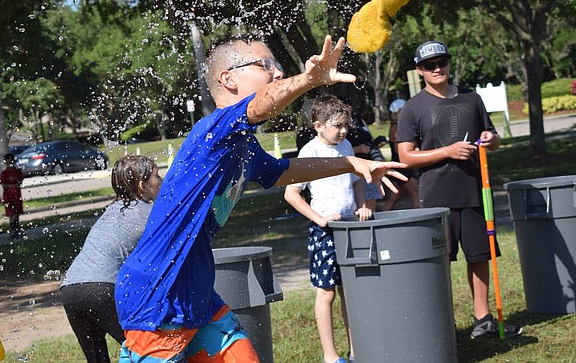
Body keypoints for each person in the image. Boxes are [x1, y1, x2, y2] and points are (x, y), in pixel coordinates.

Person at [115, 34, 406, 362]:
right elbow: (261, 104)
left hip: (198, 294)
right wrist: (309, 79)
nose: (277, 72)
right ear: (229, 79)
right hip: (158, 295)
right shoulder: (213, 131)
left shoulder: (243, 144)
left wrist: (350, 162)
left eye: (276, 65)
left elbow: (284, 171)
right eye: (265, 65)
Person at [396, 40, 522, 339]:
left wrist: (491, 139)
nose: (437, 69)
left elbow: (493, 138)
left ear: (449, 63)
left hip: (475, 191)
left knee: (479, 256)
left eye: (442, 62)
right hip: (436, 197)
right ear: (419, 71)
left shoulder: (471, 98)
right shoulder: (413, 108)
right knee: (439, 262)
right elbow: (405, 156)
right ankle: (441, 325)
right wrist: (447, 151)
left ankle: (483, 319)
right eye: (429, 65)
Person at [284, 95, 371, 363]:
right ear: (318, 125)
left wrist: (363, 206)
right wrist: (319, 218)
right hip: (325, 231)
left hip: (349, 227)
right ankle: (330, 356)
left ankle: (357, 352)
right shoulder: (309, 153)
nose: (343, 131)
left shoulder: (346, 146)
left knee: (349, 291)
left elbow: (357, 181)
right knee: (327, 292)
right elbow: (291, 194)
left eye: (346, 124)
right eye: (337, 126)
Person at [61, 155, 162, 363]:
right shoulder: (150, 212)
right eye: (156, 176)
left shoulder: (112, 209)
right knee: (147, 352)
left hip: (70, 289)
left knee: (97, 359)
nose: (161, 180)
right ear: (142, 185)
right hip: (101, 289)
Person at [340, 97, 387, 211]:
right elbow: (339, 149)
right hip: (355, 167)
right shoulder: (340, 126)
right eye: (343, 106)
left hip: (369, 162)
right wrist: (358, 149)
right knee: (360, 205)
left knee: (372, 202)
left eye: (348, 105)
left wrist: (377, 150)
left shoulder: (359, 120)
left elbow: (370, 138)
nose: (346, 108)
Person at [381, 98, 419, 211]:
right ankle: (421, 216)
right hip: (400, 165)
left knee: (395, 195)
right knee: (416, 192)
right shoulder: (397, 127)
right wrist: (413, 144)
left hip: (397, 164)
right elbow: (398, 150)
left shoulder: (396, 125)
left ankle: (383, 216)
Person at [0, 153, 25, 238]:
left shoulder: (17, 172)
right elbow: (3, 184)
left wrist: (15, 180)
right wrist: (11, 185)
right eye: (7, 163)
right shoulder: (4, 173)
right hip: (8, 196)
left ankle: (17, 229)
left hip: (16, 195)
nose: (9, 165)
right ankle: (13, 230)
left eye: (11, 163)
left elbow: (20, 181)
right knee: (10, 213)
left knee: (17, 213)